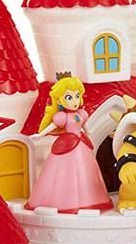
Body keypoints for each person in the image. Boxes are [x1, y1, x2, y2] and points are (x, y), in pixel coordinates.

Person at [25, 72, 112, 213]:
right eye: (69, 97)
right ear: (60, 100)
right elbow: (52, 126)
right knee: (62, 171)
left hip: (81, 144)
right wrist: (40, 135)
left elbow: (85, 126)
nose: (75, 101)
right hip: (67, 144)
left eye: (77, 96)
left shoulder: (81, 114)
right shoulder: (62, 117)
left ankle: (92, 198)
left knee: (86, 169)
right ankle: (63, 199)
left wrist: (88, 133)